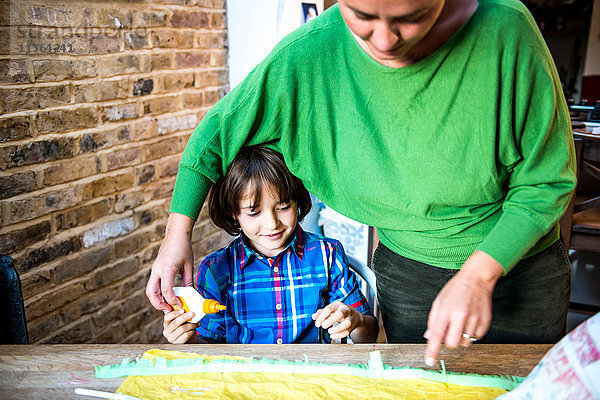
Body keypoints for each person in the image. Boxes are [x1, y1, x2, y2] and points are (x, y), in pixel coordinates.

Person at [148, 0, 576, 365]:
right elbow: (214, 137)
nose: (385, 41)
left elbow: (545, 182)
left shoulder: (507, 31)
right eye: (361, 15)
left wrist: (480, 275)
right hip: (409, 273)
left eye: (411, 16)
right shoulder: (311, 52)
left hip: (521, 271)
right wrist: (176, 234)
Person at [162, 145, 379, 344]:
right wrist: (186, 338)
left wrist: (355, 320)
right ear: (234, 212)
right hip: (244, 382)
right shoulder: (215, 271)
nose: (272, 224)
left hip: (310, 379)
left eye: (283, 207)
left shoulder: (327, 255)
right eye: (254, 212)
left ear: (298, 201)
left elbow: (368, 335)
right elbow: (208, 349)